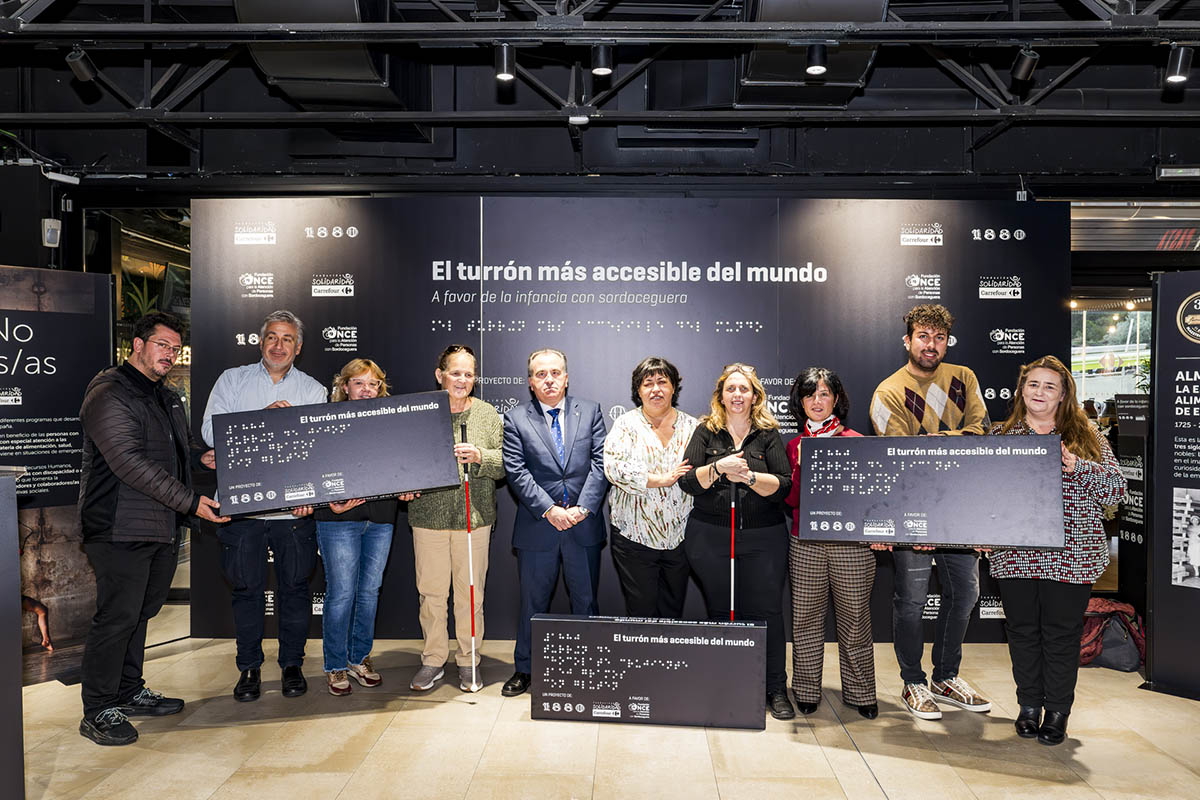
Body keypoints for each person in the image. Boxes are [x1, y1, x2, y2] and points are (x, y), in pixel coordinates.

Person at [77, 311, 229, 745]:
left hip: (159, 525)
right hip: (118, 527)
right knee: (116, 617)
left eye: (175, 348)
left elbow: (173, 452)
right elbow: (128, 462)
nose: (170, 354)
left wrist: (200, 458)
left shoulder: (165, 395)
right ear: (137, 346)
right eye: (162, 345)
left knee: (139, 615)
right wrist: (191, 503)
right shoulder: (109, 392)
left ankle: (127, 691)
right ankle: (98, 708)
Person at [989, 355, 1125, 746]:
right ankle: (1029, 706)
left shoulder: (1087, 438)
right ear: (1021, 389)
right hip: (1016, 553)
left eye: (1050, 386)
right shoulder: (1002, 438)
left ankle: (1058, 711)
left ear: (1064, 395)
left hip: (1072, 554)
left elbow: (1117, 490)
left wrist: (1077, 467)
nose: (1039, 392)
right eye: (1033, 384)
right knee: (1022, 632)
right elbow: (986, 497)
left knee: (1062, 635)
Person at [869, 303, 992, 720]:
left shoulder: (964, 378)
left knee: (967, 595)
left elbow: (981, 432)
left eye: (938, 337)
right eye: (923, 336)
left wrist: (936, 440)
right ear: (908, 340)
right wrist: (949, 442)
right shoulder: (888, 391)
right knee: (911, 602)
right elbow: (901, 457)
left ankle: (945, 675)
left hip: (960, 510)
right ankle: (913, 682)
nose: (931, 345)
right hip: (913, 513)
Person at [201, 309, 327, 702]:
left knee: (294, 591)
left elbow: (319, 447)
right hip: (243, 510)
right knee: (247, 592)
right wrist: (264, 419)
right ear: (260, 341)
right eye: (272, 337)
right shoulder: (232, 380)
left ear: (298, 347)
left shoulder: (313, 389)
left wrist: (311, 496)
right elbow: (210, 431)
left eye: (287, 338)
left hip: (293, 512)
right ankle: (249, 669)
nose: (278, 345)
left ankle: (292, 665)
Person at [679, 363, 794, 720]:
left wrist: (748, 477)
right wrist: (719, 468)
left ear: (755, 395)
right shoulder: (705, 432)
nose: (737, 395)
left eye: (744, 389)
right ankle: (724, 682)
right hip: (710, 536)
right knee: (719, 611)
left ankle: (774, 687)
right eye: (731, 389)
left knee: (768, 613)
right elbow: (688, 482)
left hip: (764, 537)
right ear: (721, 396)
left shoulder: (769, 434)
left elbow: (784, 485)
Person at [501, 348, 608, 697]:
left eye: (555, 372)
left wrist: (582, 508)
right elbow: (516, 472)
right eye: (541, 374)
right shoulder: (516, 419)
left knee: (586, 602)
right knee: (533, 603)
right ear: (531, 382)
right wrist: (550, 510)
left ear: (566, 377)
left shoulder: (590, 411)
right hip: (537, 526)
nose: (549, 379)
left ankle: (589, 666)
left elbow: (599, 463)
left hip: (582, 524)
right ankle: (526, 670)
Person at [304, 359, 414, 696]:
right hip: (339, 520)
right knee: (341, 594)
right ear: (345, 387)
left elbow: (403, 466)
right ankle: (335, 665)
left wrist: (408, 486)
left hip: (381, 518)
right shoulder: (325, 421)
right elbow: (312, 468)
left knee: (368, 593)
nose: (366, 390)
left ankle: (359, 658)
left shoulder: (391, 423)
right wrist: (327, 502)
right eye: (359, 383)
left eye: (373, 384)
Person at [406, 345, 505, 693]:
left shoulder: (488, 414)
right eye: (455, 372)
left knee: (470, 594)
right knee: (431, 594)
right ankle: (433, 660)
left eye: (468, 373)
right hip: (428, 516)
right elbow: (404, 463)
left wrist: (480, 456)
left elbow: (504, 463)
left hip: (474, 518)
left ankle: (468, 660)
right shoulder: (419, 413)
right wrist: (404, 487)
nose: (462, 379)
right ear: (440, 375)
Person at [784, 367, 877, 719]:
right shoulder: (794, 445)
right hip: (805, 541)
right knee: (805, 618)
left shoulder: (855, 440)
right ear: (801, 402)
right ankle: (806, 689)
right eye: (810, 395)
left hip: (850, 544)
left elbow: (871, 500)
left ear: (836, 398)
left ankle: (861, 691)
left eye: (824, 394)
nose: (817, 401)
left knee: (855, 618)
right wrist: (800, 471)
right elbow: (791, 502)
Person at [603, 357, 698, 618]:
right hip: (634, 536)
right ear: (638, 390)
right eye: (648, 383)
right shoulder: (625, 425)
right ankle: (642, 659)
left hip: (680, 536)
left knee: (672, 610)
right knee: (641, 611)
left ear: (674, 387)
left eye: (662, 382)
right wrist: (661, 479)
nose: (655, 389)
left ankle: (669, 658)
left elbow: (702, 474)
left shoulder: (694, 428)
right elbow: (613, 468)